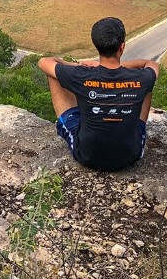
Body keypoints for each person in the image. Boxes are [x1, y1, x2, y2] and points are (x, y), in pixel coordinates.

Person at [37, 17, 158, 172]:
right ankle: (135, 126)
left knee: (54, 74)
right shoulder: (141, 78)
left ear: (96, 45)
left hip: (88, 156)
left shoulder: (82, 75)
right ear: (122, 47)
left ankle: (67, 120)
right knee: (148, 82)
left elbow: (44, 62)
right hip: (130, 155)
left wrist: (81, 67)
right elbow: (151, 64)